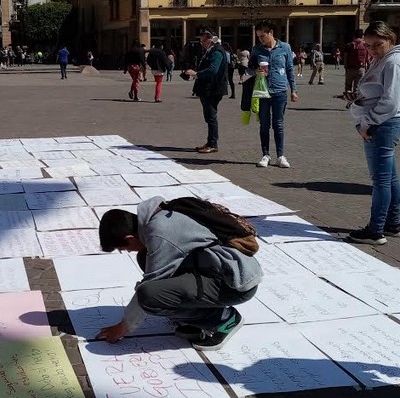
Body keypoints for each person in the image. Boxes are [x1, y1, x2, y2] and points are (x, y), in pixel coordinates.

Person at [95, 198, 263, 351]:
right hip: (220, 268)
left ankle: (224, 320)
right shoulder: (158, 213)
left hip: (233, 284)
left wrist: (123, 327)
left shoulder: (159, 232)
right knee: (145, 258)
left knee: (149, 296)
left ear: (130, 238)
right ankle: (195, 313)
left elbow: (149, 287)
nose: (127, 251)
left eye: (123, 249)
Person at [346, 21, 400, 245]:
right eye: (368, 45)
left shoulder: (394, 62)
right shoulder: (384, 59)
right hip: (383, 123)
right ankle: (393, 224)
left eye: (377, 44)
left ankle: (376, 229)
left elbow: (390, 101)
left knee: (381, 181)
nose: (372, 49)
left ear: (391, 40)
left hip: (383, 124)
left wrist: (367, 122)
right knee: (390, 177)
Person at [249, 21, 298, 168]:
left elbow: (290, 69)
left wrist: (293, 90)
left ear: (271, 33)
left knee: (278, 124)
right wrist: (255, 71)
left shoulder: (285, 47)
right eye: (258, 37)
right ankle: (265, 155)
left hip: (280, 90)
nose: (261, 40)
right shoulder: (257, 49)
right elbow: (249, 69)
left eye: (262, 36)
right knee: (264, 125)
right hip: (263, 91)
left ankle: (280, 156)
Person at [185, 29, 228, 154]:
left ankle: (213, 144)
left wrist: (196, 74)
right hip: (208, 88)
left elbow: (213, 70)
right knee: (209, 117)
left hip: (213, 89)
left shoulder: (217, 51)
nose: (202, 43)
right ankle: (210, 142)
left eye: (203, 40)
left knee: (211, 116)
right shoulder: (210, 51)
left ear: (211, 39)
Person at [344, 29, 369, 95]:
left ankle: (348, 100)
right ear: (362, 36)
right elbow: (367, 58)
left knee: (348, 86)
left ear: (354, 36)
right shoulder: (365, 45)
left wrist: (345, 66)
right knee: (357, 87)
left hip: (350, 68)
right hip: (361, 68)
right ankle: (355, 101)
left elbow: (346, 57)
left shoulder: (349, 45)